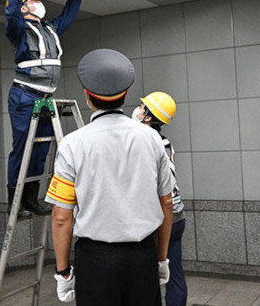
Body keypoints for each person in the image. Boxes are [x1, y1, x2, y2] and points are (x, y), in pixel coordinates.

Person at [44, 49, 174, 305]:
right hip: (142, 257)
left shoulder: (72, 144)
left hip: (95, 261)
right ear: (124, 95)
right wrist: (161, 259)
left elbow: (61, 217)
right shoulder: (152, 139)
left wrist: (63, 272)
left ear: (87, 96)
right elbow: (167, 203)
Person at [4, 0, 81, 215]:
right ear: (24, 7)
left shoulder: (50, 28)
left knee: (40, 149)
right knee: (24, 146)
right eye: (32, 0)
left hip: (46, 98)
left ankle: (30, 198)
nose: (38, 2)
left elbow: (69, 15)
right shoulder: (19, 29)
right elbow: (11, 12)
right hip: (25, 95)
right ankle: (14, 200)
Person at [132, 92, 188, 306]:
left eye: (142, 106)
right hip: (177, 215)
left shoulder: (144, 144)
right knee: (174, 274)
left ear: (147, 117)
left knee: (148, 275)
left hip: (159, 218)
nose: (137, 109)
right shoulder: (164, 141)